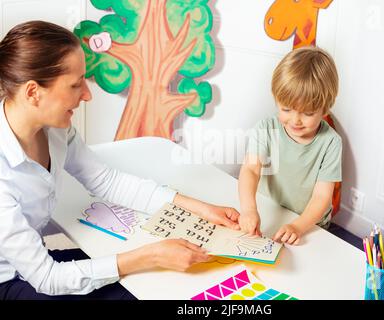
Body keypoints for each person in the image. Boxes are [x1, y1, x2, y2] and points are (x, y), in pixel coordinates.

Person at [0, 20, 240, 300]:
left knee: (153, 282)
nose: (87, 95)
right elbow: (48, 279)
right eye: (76, 85)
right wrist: (148, 256)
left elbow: (106, 181)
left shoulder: (56, 131)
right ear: (33, 92)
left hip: (32, 266)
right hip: (11, 283)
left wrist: (200, 208)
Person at [238, 46, 341, 245]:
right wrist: (249, 209)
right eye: (286, 109)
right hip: (269, 209)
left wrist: (298, 226)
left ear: (325, 108)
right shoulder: (265, 128)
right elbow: (250, 169)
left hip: (309, 224)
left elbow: (322, 196)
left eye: (308, 113)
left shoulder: (331, 142)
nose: (295, 120)